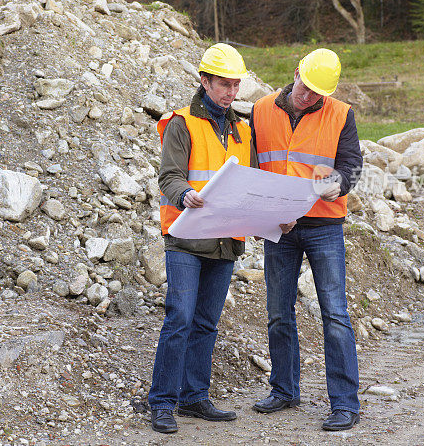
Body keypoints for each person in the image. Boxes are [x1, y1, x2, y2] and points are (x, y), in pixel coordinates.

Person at [250, 48, 363, 431]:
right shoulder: (261, 109)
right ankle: (284, 389)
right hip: (279, 227)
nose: (309, 96)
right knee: (279, 312)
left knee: (334, 314)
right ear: (296, 72)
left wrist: (338, 184)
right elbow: (252, 167)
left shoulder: (342, 114)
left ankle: (345, 404)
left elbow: (351, 165)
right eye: (306, 86)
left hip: (324, 225)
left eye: (319, 93)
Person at [148, 43, 256, 434]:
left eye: (235, 84)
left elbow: (251, 183)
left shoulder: (242, 129)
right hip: (186, 238)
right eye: (224, 84)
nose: (231, 92)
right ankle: (161, 402)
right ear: (204, 81)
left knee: (207, 322)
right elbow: (170, 176)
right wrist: (183, 195)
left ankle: (194, 398)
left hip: (225, 240)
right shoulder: (181, 124)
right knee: (179, 317)